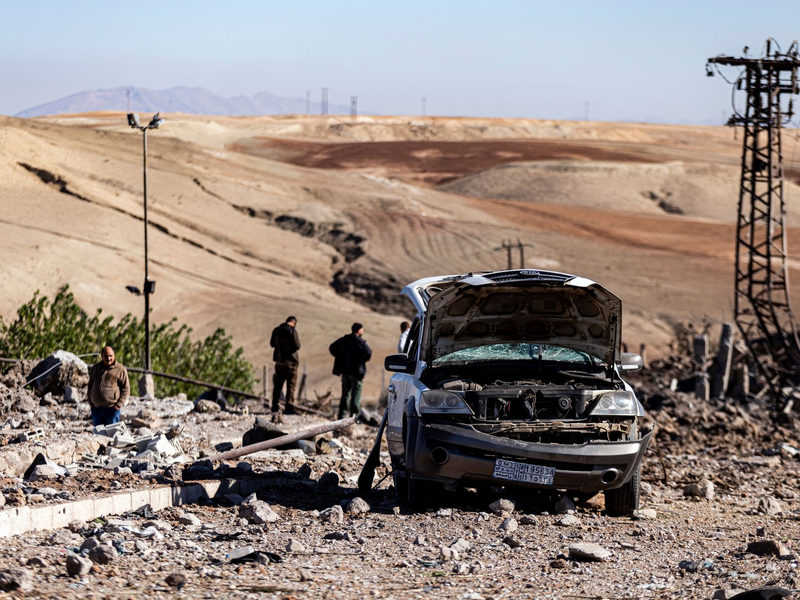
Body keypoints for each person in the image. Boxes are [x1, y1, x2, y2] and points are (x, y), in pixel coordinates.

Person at [330, 322, 373, 419]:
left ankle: (341, 416)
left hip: (345, 371)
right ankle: (354, 418)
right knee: (355, 396)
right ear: (358, 330)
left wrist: (340, 357)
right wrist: (361, 360)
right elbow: (369, 353)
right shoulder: (358, 341)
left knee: (345, 394)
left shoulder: (344, 340)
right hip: (356, 372)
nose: (363, 331)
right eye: (362, 329)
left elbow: (332, 347)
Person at [87, 345, 130, 426]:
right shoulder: (95, 368)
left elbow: (126, 389)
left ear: (114, 355)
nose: (108, 358)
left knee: (112, 434)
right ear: (102, 356)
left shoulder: (120, 369)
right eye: (106, 356)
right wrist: (91, 402)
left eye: (110, 356)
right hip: (96, 409)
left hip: (112, 409)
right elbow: (90, 386)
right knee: (98, 434)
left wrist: (118, 405)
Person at [270, 316, 301, 413]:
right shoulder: (292, 331)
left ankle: (275, 406)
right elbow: (297, 346)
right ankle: (289, 407)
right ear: (294, 323)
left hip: (279, 362)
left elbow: (272, 344)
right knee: (291, 385)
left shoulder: (276, 330)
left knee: (278, 385)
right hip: (291, 363)